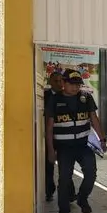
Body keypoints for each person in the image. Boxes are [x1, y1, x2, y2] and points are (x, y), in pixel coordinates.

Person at [46, 69, 106, 213]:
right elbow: (49, 128)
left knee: (91, 174)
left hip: (83, 144)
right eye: (72, 84)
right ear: (64, 84)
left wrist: (102, 139)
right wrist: (51, 150)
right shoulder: (54, 99)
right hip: (64, 147)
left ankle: (82, 198)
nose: (75, 87)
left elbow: (94, 119)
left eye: (78, 84)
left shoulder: (86, 98)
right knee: (64, 180)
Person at [43, 71, 65, 203]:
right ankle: (48, 191)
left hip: (63, 135)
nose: (59, 84)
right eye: (56, 81)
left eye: (61, 81)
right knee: (48, 164)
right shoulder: (44, 96)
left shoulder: (66, 96)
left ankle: (69, 193)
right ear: (50, 82)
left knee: (66, 166)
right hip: (48, 135)